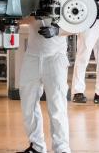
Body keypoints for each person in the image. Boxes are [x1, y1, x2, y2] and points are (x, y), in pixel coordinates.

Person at [17, 18, 71, 153]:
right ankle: (36, 146)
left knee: (57, 106)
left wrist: (58, 31)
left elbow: (79, 25)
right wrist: (13, 21)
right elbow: (25, 18)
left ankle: (62, 148)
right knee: (28, 105)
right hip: (32, 56)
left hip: (55, 57)